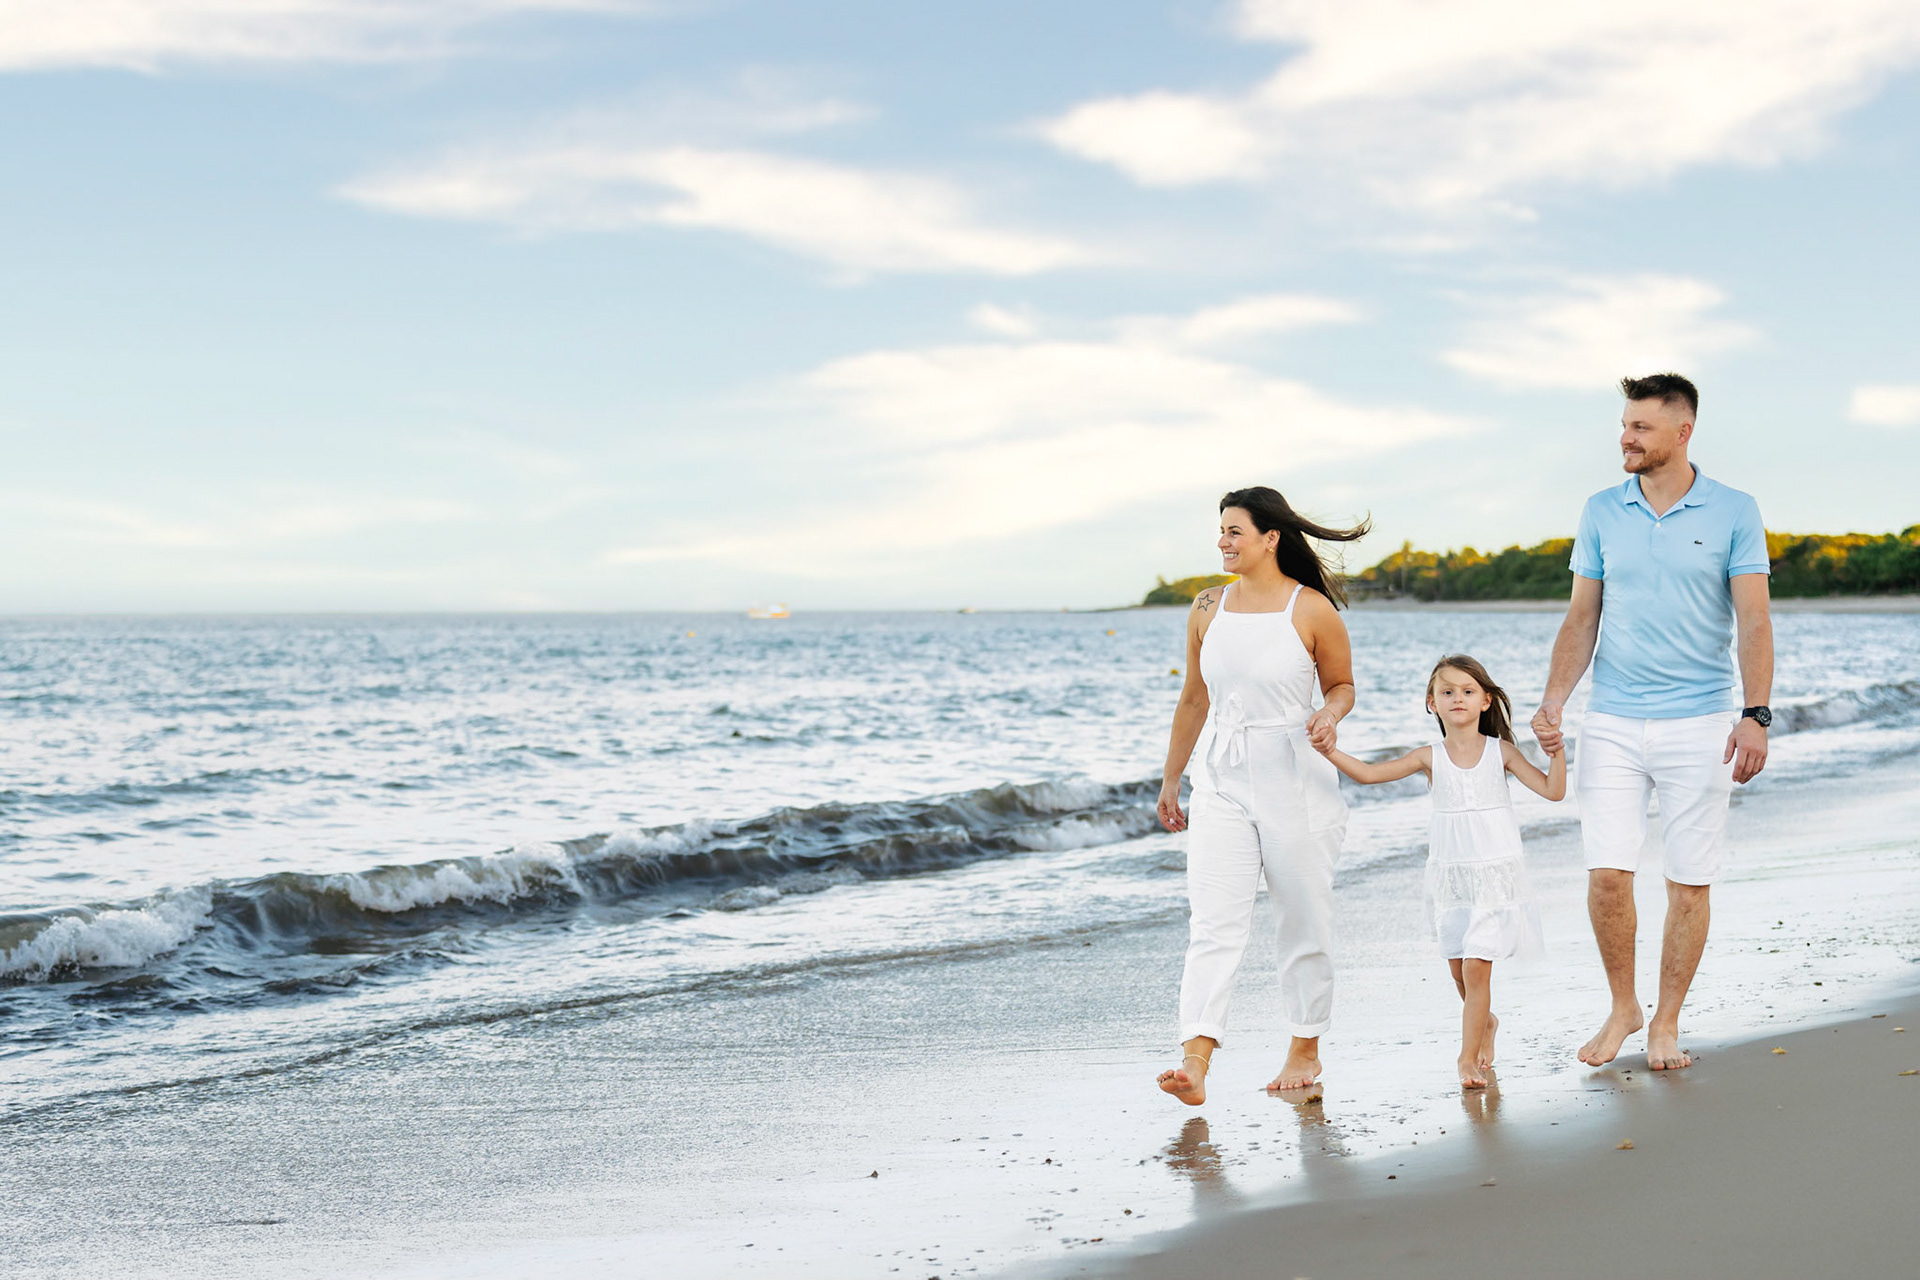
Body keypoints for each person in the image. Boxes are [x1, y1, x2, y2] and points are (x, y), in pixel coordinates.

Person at [1531, 372, 1773, 1072]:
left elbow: (1754, 620)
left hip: (1700, 722)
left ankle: (1666, 1021)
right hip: (1610, 719)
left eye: (1639, 427)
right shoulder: (1602, 510)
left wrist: (1754, 714)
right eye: (1624, 424)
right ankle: (1622, 1007)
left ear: (1682, 431)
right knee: (1607, 875)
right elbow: (1583, 616)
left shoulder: (1734, 510)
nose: (1625, 438)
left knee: (1688, 880)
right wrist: (1555, 700)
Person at [1154, 487, 1368, 1105]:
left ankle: (1306, 1044)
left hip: (1294, 778)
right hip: (1220, 779)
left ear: (1271, 538)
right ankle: (1195, 1059)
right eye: (1220, 531)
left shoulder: (1312, 610)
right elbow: (1194, 699)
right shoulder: (1205, 607)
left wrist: (1329, 713)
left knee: (1302, 918)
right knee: (1213, 923)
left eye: (1234, 531)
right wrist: (1172, 779)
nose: (1223, 542)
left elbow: (1343, 685)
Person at [1316, 655, 1565, 1088]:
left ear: (1486, 701)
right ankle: (1486, 1023)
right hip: (1451, 878)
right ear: (1431, 702)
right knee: (1457, 970)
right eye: (1447, 692)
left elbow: (1553, 791)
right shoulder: (1429, 757)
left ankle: (1466, 1060)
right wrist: (1330, 750)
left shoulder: (1500, 752)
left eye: (1468, 692)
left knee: (1475, 967)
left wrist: (1556, 753)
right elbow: (1371, 775)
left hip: (1494, 876)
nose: (1458, 699)